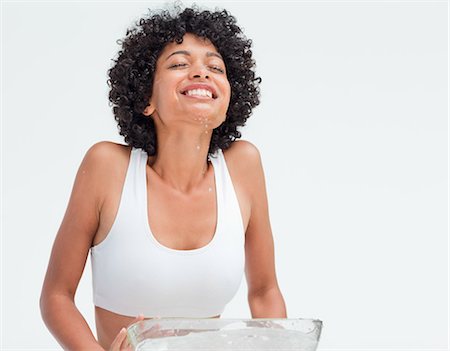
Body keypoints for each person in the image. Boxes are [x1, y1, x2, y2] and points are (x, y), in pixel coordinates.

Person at [40, 4, 287, 350]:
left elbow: (264, 292)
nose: (201, 73)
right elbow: (57, 296)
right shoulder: (107, 167)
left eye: (215, 66)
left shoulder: (243, 166)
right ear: (146, 98)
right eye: (179, 63)